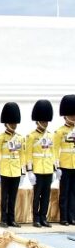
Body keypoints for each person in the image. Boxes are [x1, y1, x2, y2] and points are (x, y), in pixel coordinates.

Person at [0, 102, 25, 228]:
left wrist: (23, 172)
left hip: (16, 171)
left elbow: (22, 155)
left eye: (15, 123)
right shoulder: (1, 138)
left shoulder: (20, 138)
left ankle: (12, 219)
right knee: (4, 197)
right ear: (6, 123)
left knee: (13, 197)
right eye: (12, 123)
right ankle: (3, 219)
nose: (14, 125)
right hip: (5, 170)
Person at [26, 100, 55, 228]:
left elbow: (52, 153)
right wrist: (30, 171)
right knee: (37, 196)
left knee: (46, 196)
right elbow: (28, 155)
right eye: (43, 121)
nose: (45, 124)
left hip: (48, 169)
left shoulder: (51, 136)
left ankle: (43, 217)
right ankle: (36, 218)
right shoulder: (31, 136)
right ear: (37, 122)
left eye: (46, 121)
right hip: (37, 170)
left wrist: (54, 169)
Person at [53, 94, 75, 225]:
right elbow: (55, 150)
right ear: (65, 115)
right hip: (64, 165)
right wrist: (56, 167)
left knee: (73, 193)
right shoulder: (59, 132)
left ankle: (72, 216)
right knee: (64, 193)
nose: (73, 117)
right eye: (71, 115)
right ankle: (64, 217)